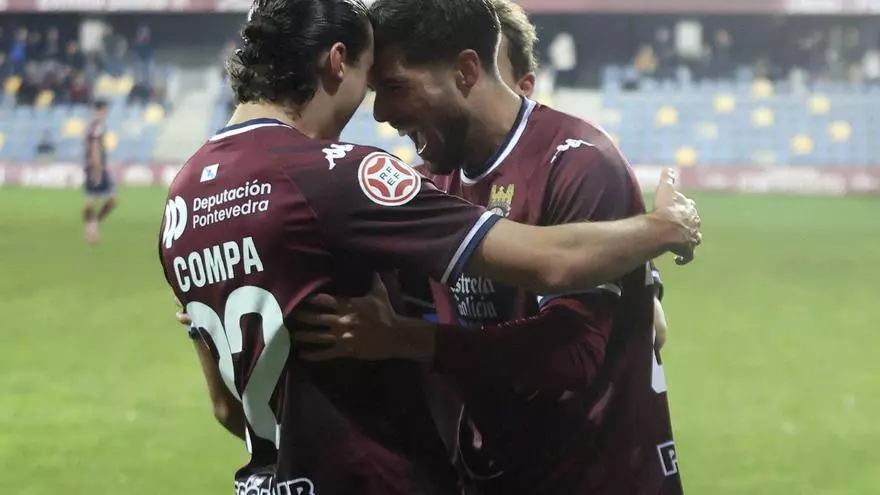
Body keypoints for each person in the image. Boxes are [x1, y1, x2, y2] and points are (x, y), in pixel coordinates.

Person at [161, 0, 701, 493]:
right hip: (483, 475)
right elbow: (390, 313)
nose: (378, 114)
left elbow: (573, 352)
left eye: (394, 86)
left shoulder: (578, 161)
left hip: (597, 478)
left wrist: (652, 250)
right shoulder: (413, 184)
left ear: (466, 71)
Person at [83, 99, 118, 244]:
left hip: (90, 167)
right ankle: (92, 228)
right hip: (97, 167)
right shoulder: (97, 126)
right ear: (101, 110)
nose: (107, 112)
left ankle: (90, 229)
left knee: (90, 200)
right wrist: (97, 169)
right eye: (106, 109)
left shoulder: (90, 125)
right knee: (111, 199)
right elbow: (95, 148)